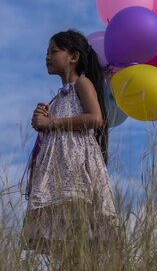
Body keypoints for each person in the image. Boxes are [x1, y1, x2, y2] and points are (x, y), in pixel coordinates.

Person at [20, 29, 119, 261]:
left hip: (75, 171)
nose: (47, 56)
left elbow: (95, 118)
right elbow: (53, 129)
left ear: (73, 57)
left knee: (79, 231)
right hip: (59, 173)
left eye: (54, 51)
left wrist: (51, 122)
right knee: (65, 241)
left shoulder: (82, 85)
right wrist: (41, 123)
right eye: (47, 52)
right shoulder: (57, 98)